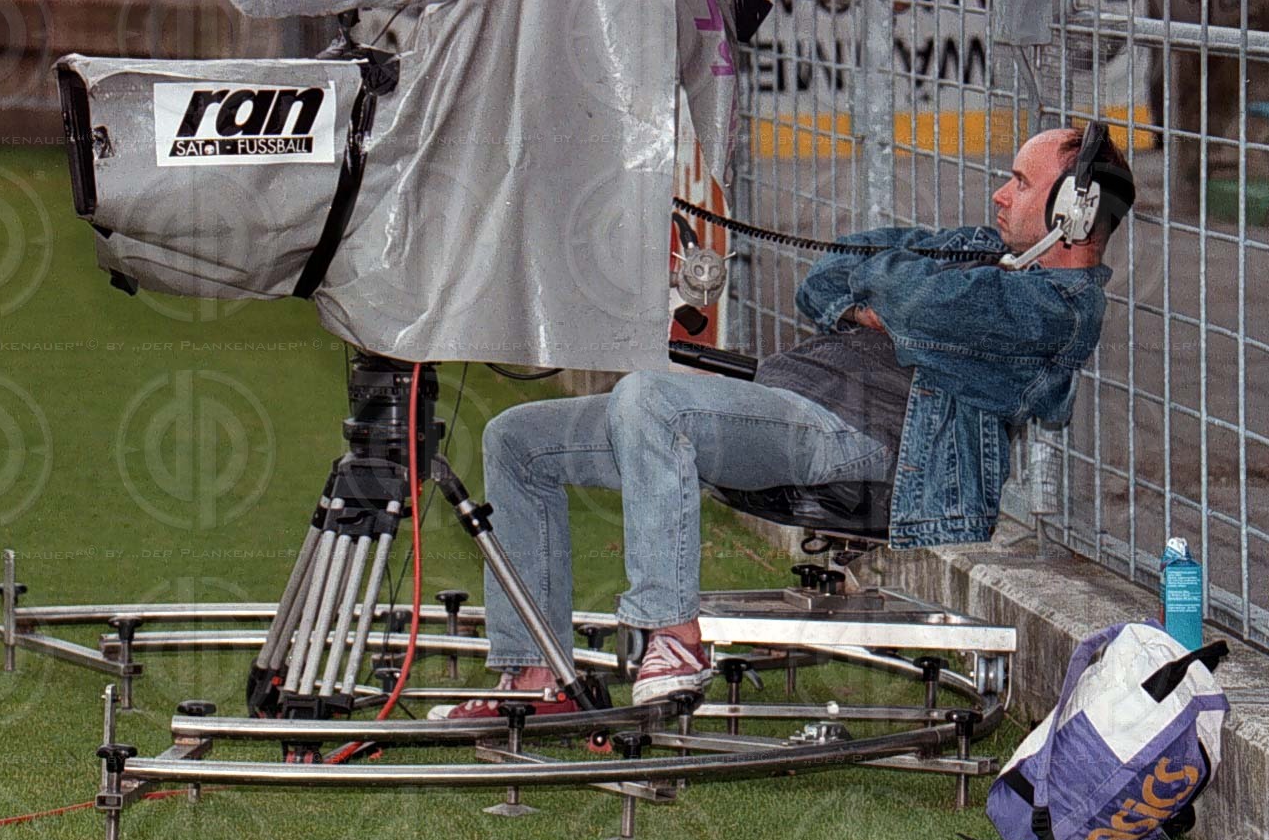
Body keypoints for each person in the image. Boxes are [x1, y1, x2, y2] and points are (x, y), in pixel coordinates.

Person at [431, 126, 1134, 719]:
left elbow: (916, 303)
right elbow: (830, 272)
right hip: (784, 406)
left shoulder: (1054, 308)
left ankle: (674, 637)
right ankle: (537, 677)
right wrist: (890, 300)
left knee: (650, 399)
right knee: (517, 439)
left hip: (861, 443)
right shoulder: (982, 253)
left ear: (1074, 209)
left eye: (1019, 182)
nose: (1000, 194)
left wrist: (892, 297)